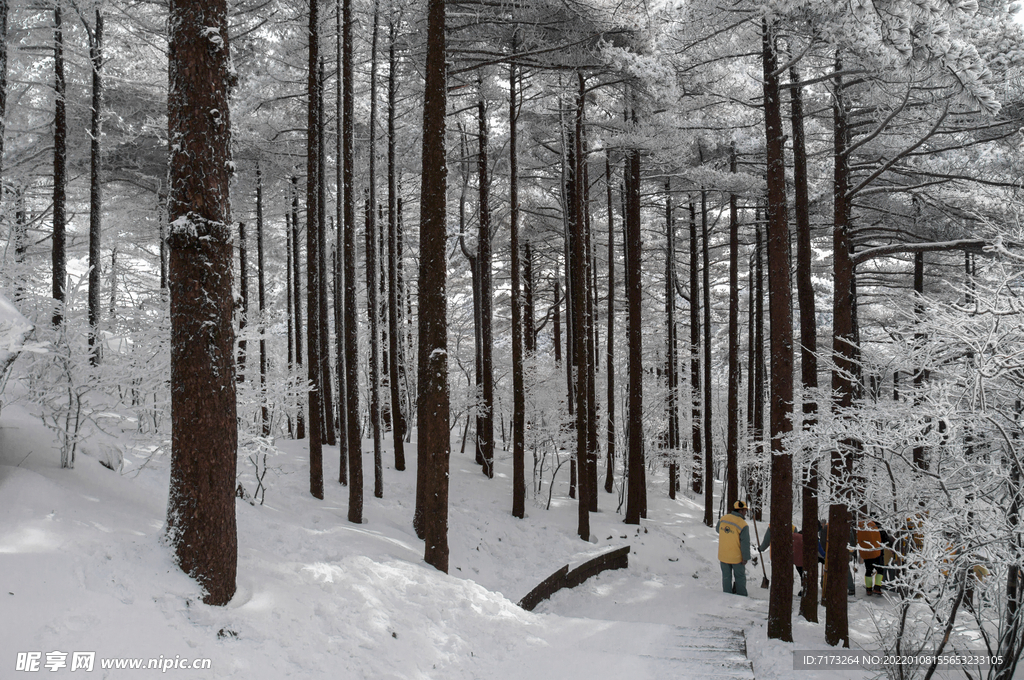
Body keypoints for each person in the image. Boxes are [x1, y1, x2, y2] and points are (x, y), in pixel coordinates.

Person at [757, 523, 805, 596]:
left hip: (776, 555)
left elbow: (767, 540)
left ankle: (777, 591)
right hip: (788, 557)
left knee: (777, 574)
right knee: (786, 574)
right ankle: (786, 590)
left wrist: (761, 548)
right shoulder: (793, 528)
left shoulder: (772, 526)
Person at [717, 500, 751, 596]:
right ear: (740, 511)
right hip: (736, 557)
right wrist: (745, 557)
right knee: (740, 577)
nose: (746, 512)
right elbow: (745, 543)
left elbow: (717, 529)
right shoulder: (743, 525)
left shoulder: (723, 519)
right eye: (745, 510)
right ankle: (741, 596)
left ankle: (727, 596)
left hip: (723, 555)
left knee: (726, 577)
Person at [857, 516, 884, 595]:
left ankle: (868, 589)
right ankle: (877, 587)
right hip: (878, 553)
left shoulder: (863, 527)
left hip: (867, 552)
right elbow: (885, 538)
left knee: (868, 571)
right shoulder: (877, 526)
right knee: (880, 570)